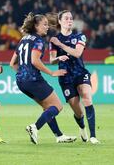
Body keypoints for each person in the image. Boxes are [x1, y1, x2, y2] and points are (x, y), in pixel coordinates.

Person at [9, 12, 76, 145]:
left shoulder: (24, 39)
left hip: (21, 81)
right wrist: (51, 73)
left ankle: (59, 136)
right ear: (36, 26)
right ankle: (34, 127)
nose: (47, 27)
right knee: (57, 105)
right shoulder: (39, 40)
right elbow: (34, 61)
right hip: (33, 80)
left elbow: (12, 63)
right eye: (44, 25)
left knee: (47, 107)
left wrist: (22, 75)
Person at [48, 10, 100, 144]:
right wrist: (59, 57)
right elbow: (51, 60)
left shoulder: (79, 36)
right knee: (77, 110)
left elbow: (77, 53)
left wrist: (61, 45)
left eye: (71, 18)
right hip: (65, 77)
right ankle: (82, 126)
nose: (69, 20)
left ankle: (93, 136)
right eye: (66, 18)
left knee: (87, 98)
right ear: (60, 21)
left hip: (80, 73)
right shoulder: (53, 40)